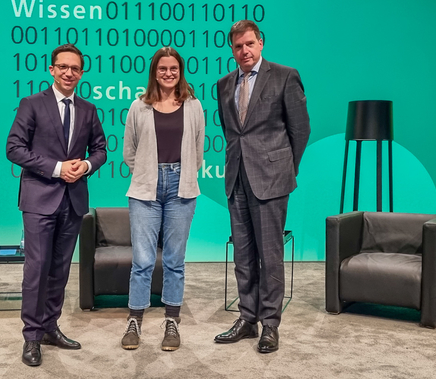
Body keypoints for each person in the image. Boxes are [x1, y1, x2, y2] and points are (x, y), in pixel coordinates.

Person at [6, 43, 107, 367]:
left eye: (75, 68)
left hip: (73, 201)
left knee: (60, 270)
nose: (68, 73)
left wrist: (87, 165)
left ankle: (50, 326)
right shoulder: (32, 104)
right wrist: (56, 167)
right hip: (39, 199)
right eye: (63, 67)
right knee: (36, 270)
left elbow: (101, 149)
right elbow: (14, 148)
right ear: (52, 69)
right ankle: (32, 337)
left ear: (81, 73)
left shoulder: (89, 110)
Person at [213, 20, 310, 353]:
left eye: (250, 44)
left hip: (271, 179)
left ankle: (270, 324)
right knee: (243, 255)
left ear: (261, 43)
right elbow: (232, 132)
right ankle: (247, 318)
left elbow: (300, 130)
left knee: (270, 256)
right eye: (238, 46)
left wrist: (283, 169)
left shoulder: (285, 76)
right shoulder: (223, 84)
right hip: (236, 177)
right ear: (233, 49)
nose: (245, 51)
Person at [120, 47, 205, 352]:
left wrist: (177, 174)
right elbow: (129, 151)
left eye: (173, 69)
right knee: (142, 261)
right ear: (154, 72)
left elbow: (197, 151)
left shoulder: (193, 106)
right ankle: (135, 320)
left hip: (181, 188)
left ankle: (172, 320)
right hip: (145, 190)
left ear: (180, 71)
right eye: (162, 69)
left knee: (174, 261)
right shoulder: (138, 107)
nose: (168, 73)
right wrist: (147, 173)